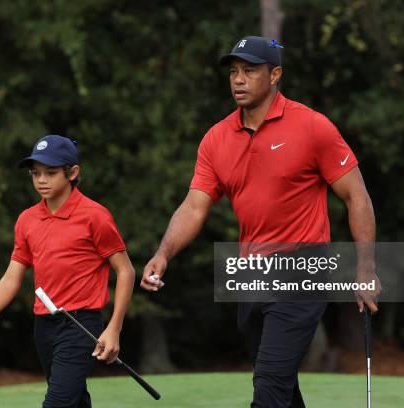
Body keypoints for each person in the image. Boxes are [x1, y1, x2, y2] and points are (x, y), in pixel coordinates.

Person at [140, 36, 380, 407]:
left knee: (268, 385)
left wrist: (365, 268)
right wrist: (163, 254)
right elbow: (193, 208)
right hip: (250, 272)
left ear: (275, 75)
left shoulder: (312, 127)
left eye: (250, 71)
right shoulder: (217, 139)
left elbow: (356, 196)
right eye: (234, 71)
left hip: (303, 266)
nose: (238, 79)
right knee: (279, 386)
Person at [0, 135, 135, 408]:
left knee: (57, 403)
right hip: (44, 325)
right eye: (35, 173)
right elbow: (11, 278)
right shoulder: (27, 220)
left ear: (73, 173)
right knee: (73, 401)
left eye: (50, 173)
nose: (41, 180)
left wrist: (114, 328)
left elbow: (125, 271)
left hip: (81, 324)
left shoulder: (95, 216)